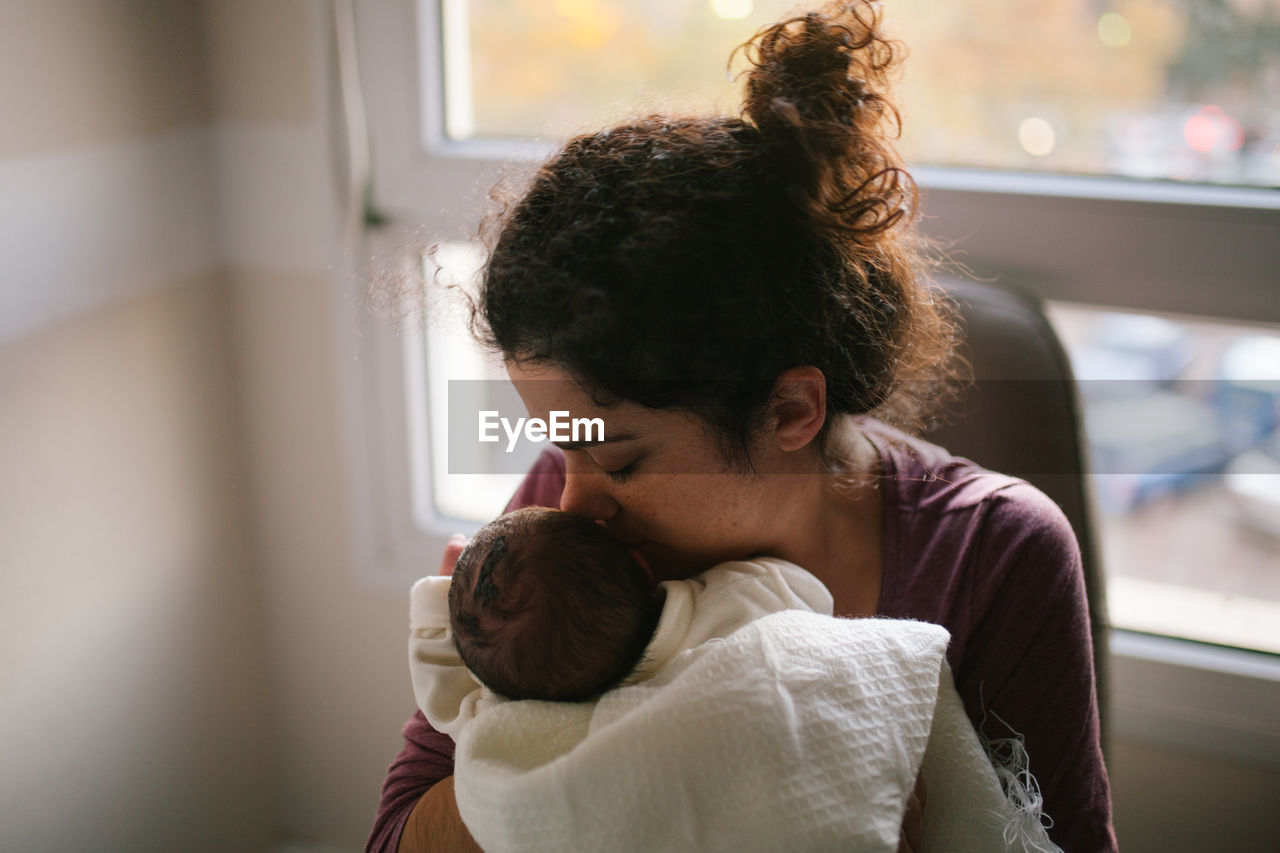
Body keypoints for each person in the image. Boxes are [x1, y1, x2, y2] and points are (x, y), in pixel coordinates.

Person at [368, 2, 1116, 850]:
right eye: (559, 442)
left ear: (791, 410)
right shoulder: (568, 509)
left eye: (621, 461)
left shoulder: (993, 559)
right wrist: (549, 748)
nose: (573, 504)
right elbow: (395, 833)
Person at [409, 509, 1059, 853]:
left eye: (623, 457)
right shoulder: (731, 604)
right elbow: (804, 599)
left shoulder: (498, 713)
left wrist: (437, 610)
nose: (578, 495)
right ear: (639, 568)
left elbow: (442, 694)